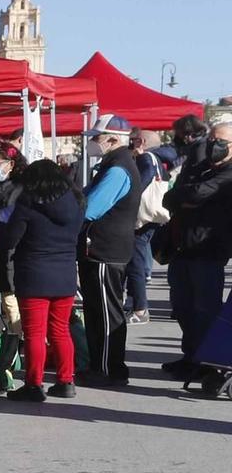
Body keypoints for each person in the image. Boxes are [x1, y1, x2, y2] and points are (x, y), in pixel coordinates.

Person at [0, 158, 86, 403]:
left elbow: (10, 241)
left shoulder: (28, 204)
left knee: (35, 333)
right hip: (66, 274)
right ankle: (66, 381)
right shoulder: (78, 204)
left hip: (34, 274)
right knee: (60, 330)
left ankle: (34, 384)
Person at [79, 115, 149, 385]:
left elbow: (92, 208)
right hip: (102, 249)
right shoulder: (114, 165)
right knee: (98, 311)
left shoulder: (118, 168)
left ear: (113, 140)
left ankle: (108, 369)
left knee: (106, 314)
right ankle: (102, 365)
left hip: (105, 250)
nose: (92, 143)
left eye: (96, 138)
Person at [162, 114, 232, 382]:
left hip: (209, 250)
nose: (213, 144)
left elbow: (196, 194)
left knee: (204, 309)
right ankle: (190, 355)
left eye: (221, 141)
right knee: (182, 306)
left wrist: (187, 197)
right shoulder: (202, 167)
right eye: (212, 139)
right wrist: (185, 197)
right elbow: (172, 196)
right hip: (183, 247)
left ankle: (205, 362)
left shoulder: (228, 172)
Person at [125, 128, 164, 323]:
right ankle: (135, 303)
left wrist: (130, 195)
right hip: (150, 218)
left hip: (142, 219)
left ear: (140, 141)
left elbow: (144, 179)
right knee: (135, 261)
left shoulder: (146, 158)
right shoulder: (155, 159)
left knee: (135, 263)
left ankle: (140, 308)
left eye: (132, 140)